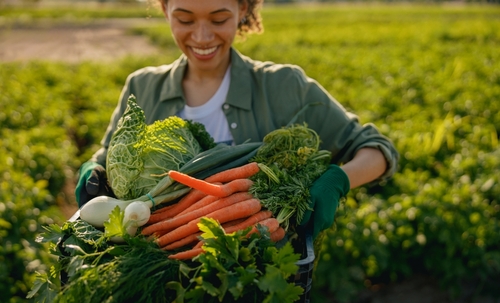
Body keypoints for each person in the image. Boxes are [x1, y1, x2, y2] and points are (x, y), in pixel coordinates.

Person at [75, 0, 399, 239]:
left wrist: (337, 180)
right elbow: (107, 156)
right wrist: (94, 169)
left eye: (218, 19)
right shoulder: (141, 87)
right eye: (185, 20)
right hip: (157, 264)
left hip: (257, 272)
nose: (202, 37)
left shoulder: (285, 87)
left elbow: (376, 149)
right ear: (164, 10)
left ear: (243, 9)